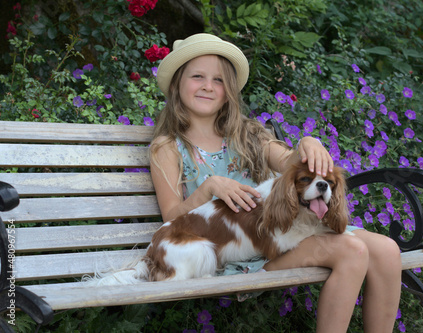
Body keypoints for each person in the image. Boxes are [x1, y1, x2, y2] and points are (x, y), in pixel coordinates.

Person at [150, 33, 401, 333]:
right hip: (245, 252)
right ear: (177, 84)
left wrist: (308, 143)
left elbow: (289, 164)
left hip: (293, 228)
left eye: (218, 80)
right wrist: (209, 187)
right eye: (197, 77)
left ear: (229, 90)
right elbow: (170, 217)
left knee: (387, 250)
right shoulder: (168, 147)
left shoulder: (248, 134)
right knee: (353, 250)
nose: (208, 85)